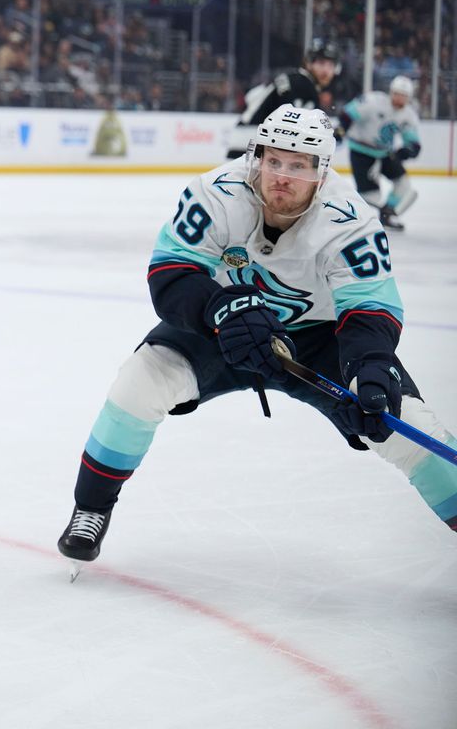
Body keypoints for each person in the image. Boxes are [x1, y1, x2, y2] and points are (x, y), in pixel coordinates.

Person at [57, 104, 457, 578]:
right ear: (257, 158)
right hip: (221, 327)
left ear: (321, 173)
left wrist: (369, 368)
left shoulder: (351, 222)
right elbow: (170, 273)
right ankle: (92, 508)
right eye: (274, 160)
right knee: (138, 386)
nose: (282, 175)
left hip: (319, 339)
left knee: (404, 426)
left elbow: (367, 310)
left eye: (299, 165)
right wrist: (220, 309)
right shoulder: (215, 193)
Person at [225, 39, 340, 159]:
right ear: (309, 63)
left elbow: (251, 97)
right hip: (253, 146)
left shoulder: (294, 78)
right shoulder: (303, 86)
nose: (326, 71)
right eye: (321, 63)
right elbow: (296, 129)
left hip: (244, 140)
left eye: (330, 65)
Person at [338, 75, 421, 231]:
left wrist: (407, 151)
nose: (399, 98)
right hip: (361, 152)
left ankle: (387, 214)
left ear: (409, 98)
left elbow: (413, 143)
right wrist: (342, 129)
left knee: (403, 184)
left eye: (403, 96)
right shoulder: (374, 101)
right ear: (390, 92)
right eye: (396, 93)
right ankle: (358, 218)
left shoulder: (408, 115)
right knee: (371, 195)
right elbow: (348, 113)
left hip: (384, 154)